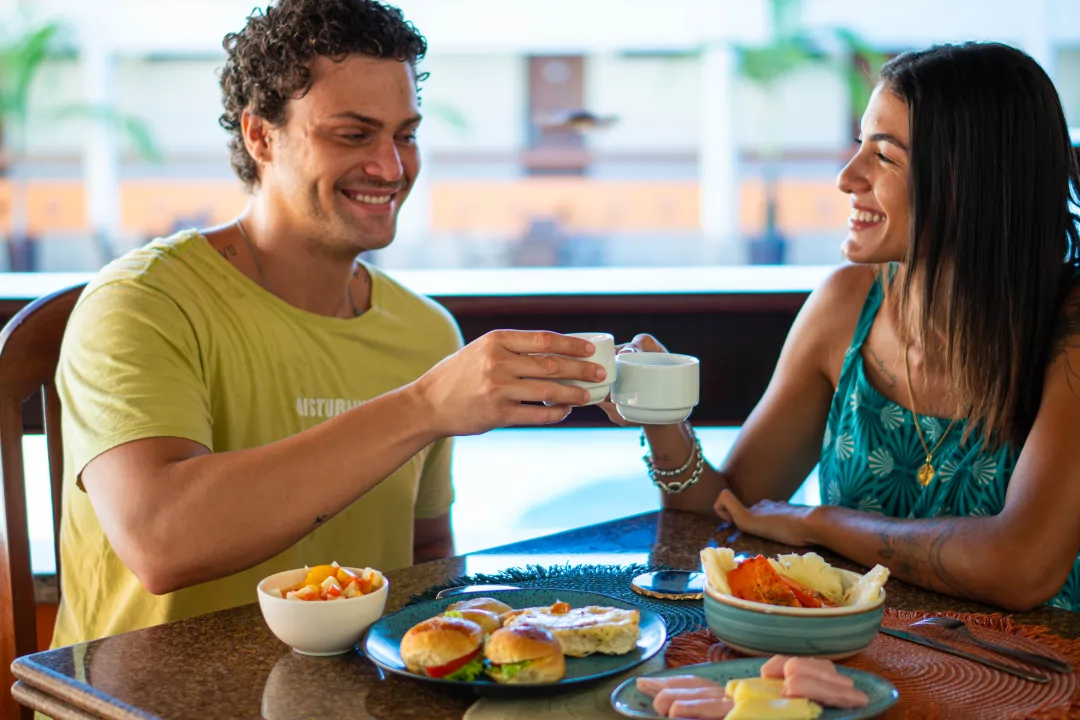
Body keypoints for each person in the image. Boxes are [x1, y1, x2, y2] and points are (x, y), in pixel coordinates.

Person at [51, 0, 607, 647]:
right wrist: (424, 406)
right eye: (352, 134)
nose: (391, 168)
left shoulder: (424, 331)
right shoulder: (141, 302)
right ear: (261, 136)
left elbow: (425, 558)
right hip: (139, 691)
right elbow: (161, 539)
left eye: (405, 135)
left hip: (354, 690)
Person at [603, 42, 1080, 612]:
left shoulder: (1070, 329)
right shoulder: (846, 305)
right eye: (860, 145)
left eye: (885, 156)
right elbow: (732, 511)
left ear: (971, 179)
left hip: (1036, 664)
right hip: (862, 659)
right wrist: (663, 421)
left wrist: (821, 523)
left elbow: (1022, 566)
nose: (847, 176)